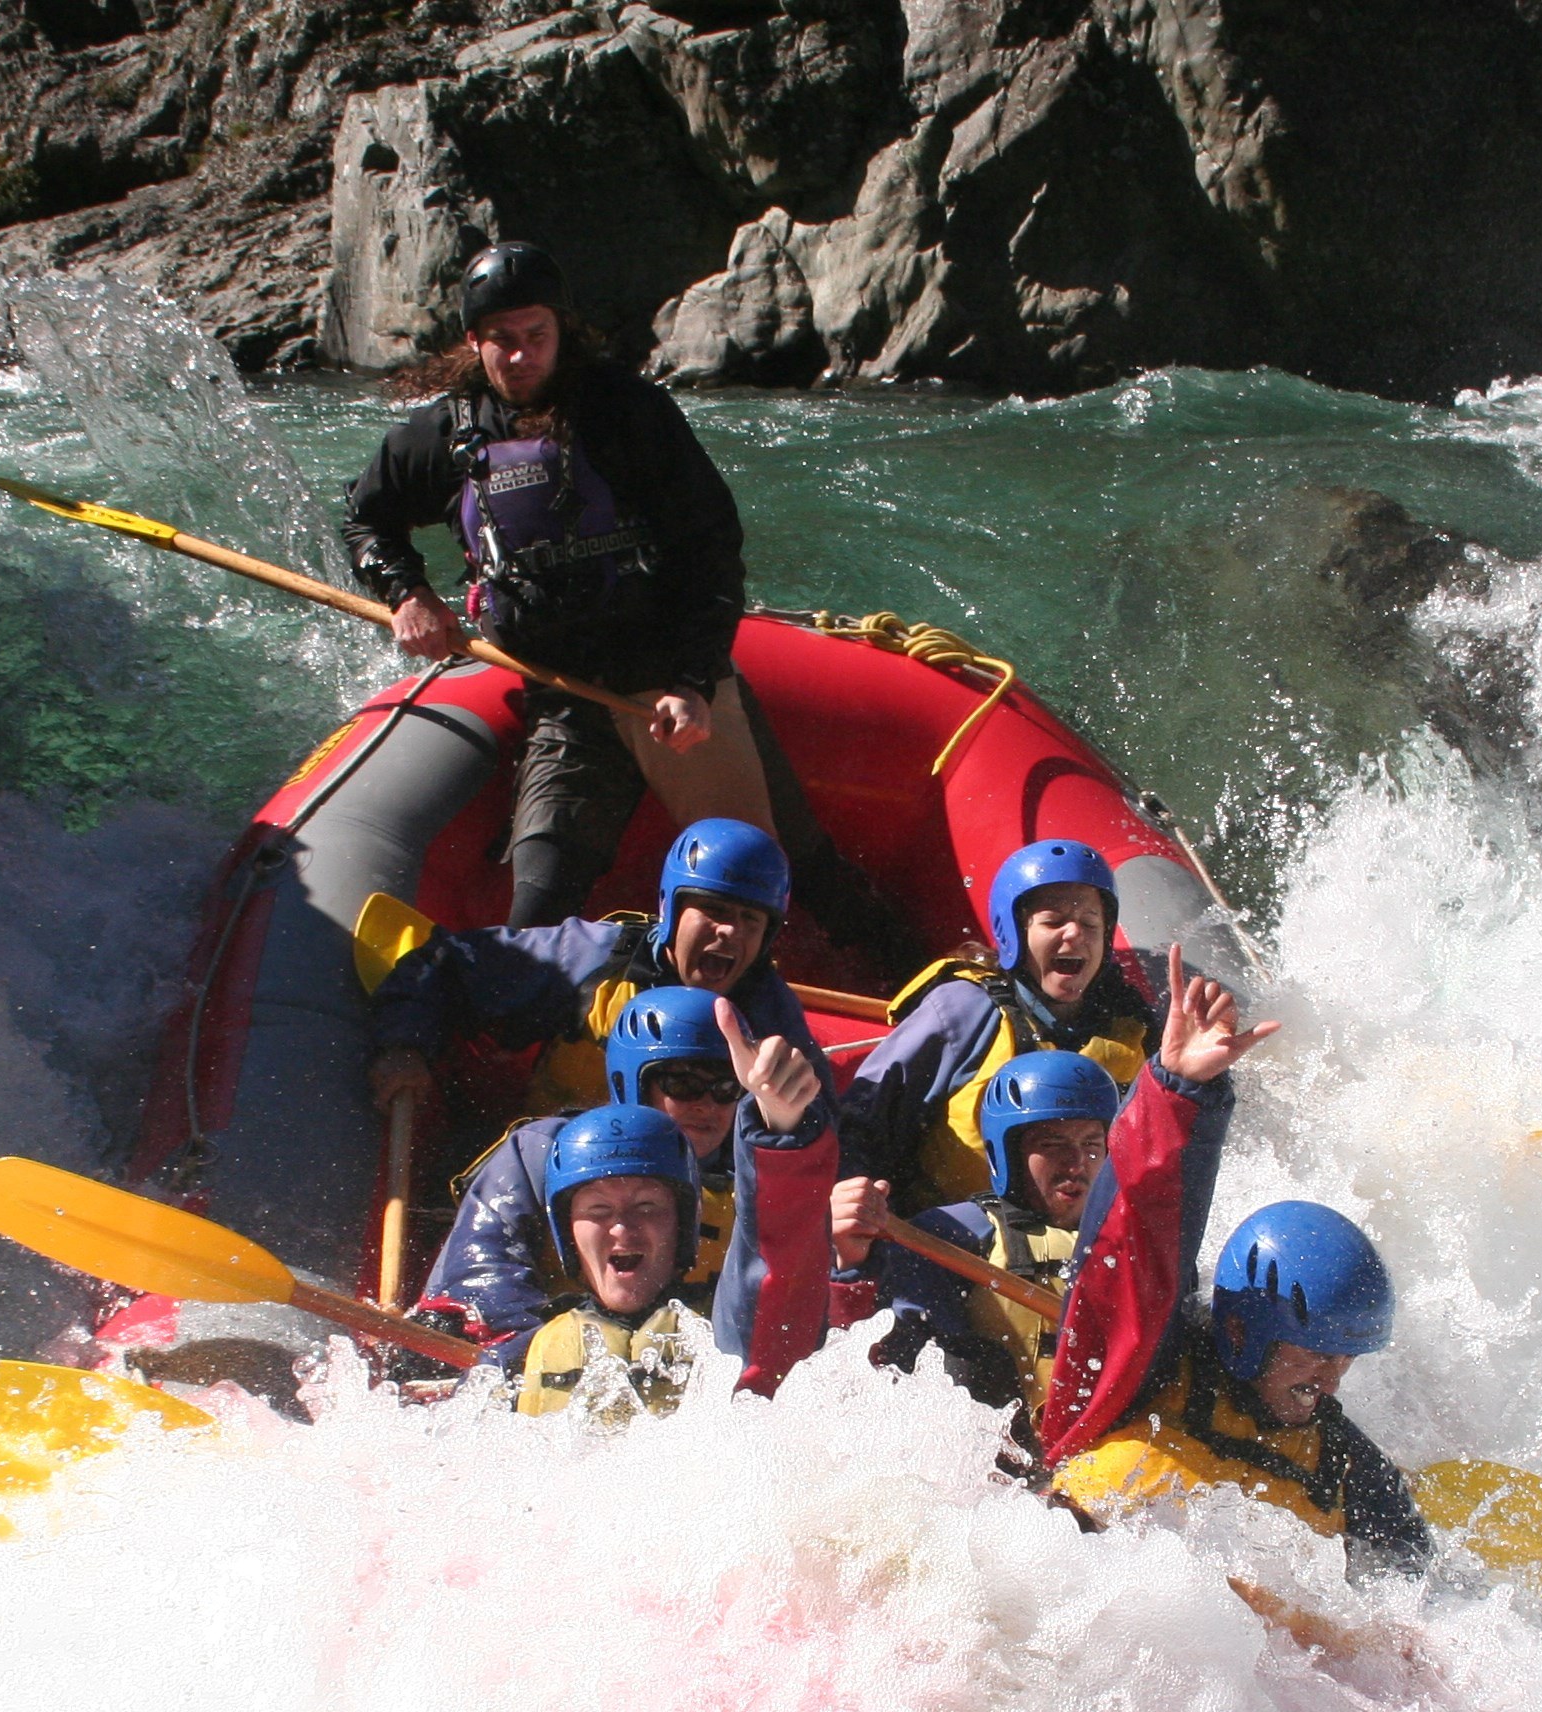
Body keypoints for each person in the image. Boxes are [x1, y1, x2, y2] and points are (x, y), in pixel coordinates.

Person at [340, 242, 912, 959]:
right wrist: (407, 592)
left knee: (792, 864)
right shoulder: (448, 436)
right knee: (541, 900)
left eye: (536, 338)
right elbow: (366, 518)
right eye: (502, 342)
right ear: (473, 342)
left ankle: (924, 983)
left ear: (561, 331)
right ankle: (527, 1041)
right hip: (566, 698)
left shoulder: (627, 413)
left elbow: (712, 547)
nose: (521, 358)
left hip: (666, 686)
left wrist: (696, 681)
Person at [1036, 964, 1433, 1581]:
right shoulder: (1149, 1376)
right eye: (1315, 1355)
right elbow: (1132, 1246)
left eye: (1343, 1358)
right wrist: (1178, 1092)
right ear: (1245, 1335)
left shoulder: (1347, 1464)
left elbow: (1414, 1592)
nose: (1330, 1381)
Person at [364, 817, 826, 1123]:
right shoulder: (589, 956)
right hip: (546, 1171)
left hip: (671, 1206)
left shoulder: (770, 1015)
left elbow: (819, 1123)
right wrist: (405, 1044)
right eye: (713, 910)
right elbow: (443, 963)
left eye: (750, 920)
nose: (730, 933)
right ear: (670, 908)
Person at [507, 1002, 836, 1416]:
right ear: (567, 1232)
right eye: (598, 1210)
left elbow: (776, 1262)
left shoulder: (727, 1339)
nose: (622, 1227)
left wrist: (781, 1124)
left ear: (683, 1227)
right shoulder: (527, 1352)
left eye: (647, 1207)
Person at [417, 986, 741, 1355]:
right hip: (544, 1352)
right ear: (631, 1079)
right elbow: (483, 1267)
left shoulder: (755, 1183)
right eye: (683, 1085)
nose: (706, 1105)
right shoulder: (543, 1150)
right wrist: (539, 1357)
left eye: (725, 1087)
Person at [837, 838, 1155, 1213]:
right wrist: (856, 1203)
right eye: (1053, 921)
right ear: (1014, 933)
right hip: (947, 1237)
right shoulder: (965, 1008)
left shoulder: (1133, 1030)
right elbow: (862, 1120)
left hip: (1065, 1248)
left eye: (1090, 922)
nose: (1075, 934)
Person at [841, 1048, 1120, 1418]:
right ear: (1008, 1152)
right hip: (1003, 1453)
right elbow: (901, 1354)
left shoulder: (1129, 1244)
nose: (1076, 1165)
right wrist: (850, 1261)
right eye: (1052, 1145)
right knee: (969, 1364)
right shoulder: (952, 1234)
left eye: (1091, 1146)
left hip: (1110, 1453)